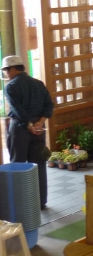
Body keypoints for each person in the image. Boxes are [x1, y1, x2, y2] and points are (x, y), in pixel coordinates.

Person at [2, 56, 53, 210]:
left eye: (6, 71)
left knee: (18, 163)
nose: (6, 74)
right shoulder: (38, 83)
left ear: (11, 69)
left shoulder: (11, 86)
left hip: (20, 128)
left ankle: (20, 202)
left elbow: (17, 109)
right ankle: (40, 201)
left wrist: (29, 125)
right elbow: (49, 105)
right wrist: (39, 123)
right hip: (38, 128)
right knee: (39, 163)